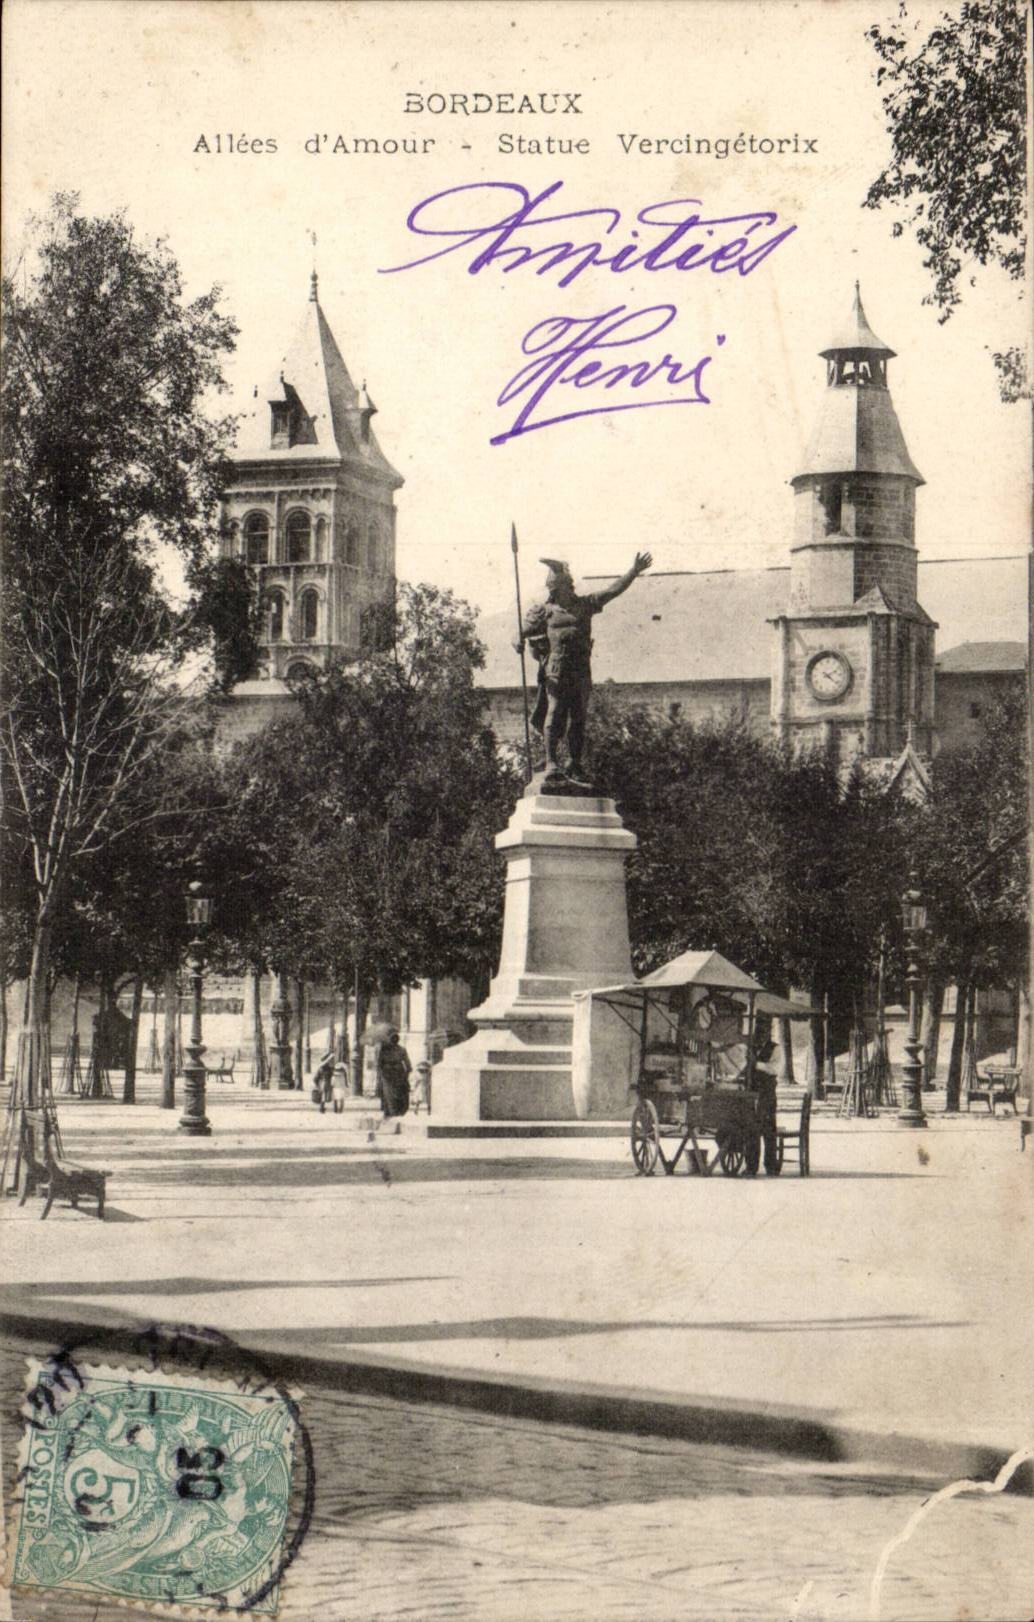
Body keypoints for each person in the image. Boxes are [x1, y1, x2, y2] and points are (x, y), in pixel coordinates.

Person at [515, 552, 652, 786]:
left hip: (580, 670)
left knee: (578, 718)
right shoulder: (545, 611)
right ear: (554, 588)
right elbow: (521, 631)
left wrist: (633, 571)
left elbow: (612, 590)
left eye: (568, 585)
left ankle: (575, 763)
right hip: (556, 670)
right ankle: (551, 762)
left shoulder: (585, 605)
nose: (567, 589)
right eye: (561, 586)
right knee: (555, 711)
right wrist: (517, 640)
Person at [377, 1031, 412, 1119]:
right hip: (395, 1073)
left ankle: (391, 1112)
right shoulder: (400, 1049)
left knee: (390, 1093)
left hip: (389, 1073)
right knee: (393, 1093)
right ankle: (394, 1111)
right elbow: (408, 1065)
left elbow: (379, 1064)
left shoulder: (385, 1050)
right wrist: (406, 1073)